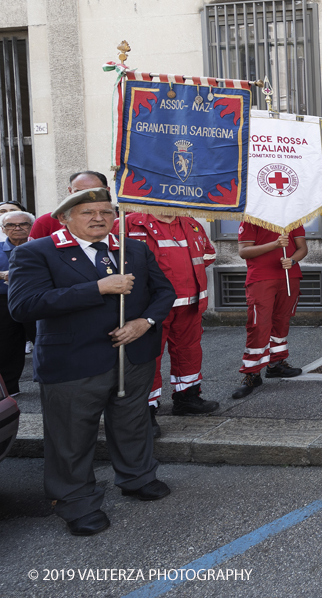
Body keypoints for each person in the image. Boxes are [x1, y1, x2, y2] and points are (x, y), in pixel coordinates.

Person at [7, 188, 175, 536]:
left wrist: (144, 323)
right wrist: (98, 288)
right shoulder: (37, 252)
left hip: (133, 355)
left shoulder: (134, 249)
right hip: (73, 362)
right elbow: (24, 305)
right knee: (71, 437)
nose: (99, 218)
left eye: (106, 212)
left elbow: (164, 293)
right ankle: (76, 502)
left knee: (132, 424)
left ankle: (137, 478)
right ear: (64, 218)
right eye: (87, 212)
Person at [124, 212, 219, 432]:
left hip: (189, 301)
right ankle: (144, 411)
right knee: (149, 357)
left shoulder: (192, 224)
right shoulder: (129, 223)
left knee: (188, 351)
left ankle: (187, 397)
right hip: (151, 305)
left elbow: (207, 255)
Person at [232, 221, 308, 398]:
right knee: (259, 325)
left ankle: (276, 363)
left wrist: (293, 260)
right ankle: (252, 372)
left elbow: (302, 247)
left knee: (282, 322)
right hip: (261, 277)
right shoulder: (252, 219)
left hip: (289, 276)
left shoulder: (292, 219)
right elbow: (243, 251)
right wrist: (274, 244)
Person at [0, 210, 33, 394]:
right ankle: (9, 389)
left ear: (31, 226)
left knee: (44, 340)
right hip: (4, 302)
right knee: (6, 346)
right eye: (11, 225)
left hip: (36, 299)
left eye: (23, 224)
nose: (17, 228)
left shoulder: (42, 247)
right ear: (3, 229)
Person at [29, 171, 108, 240]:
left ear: (107, 191)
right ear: (70, 191)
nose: (85, 196)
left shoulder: (118, 220)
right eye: (79, 192)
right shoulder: (46, 221)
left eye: (93, 192)